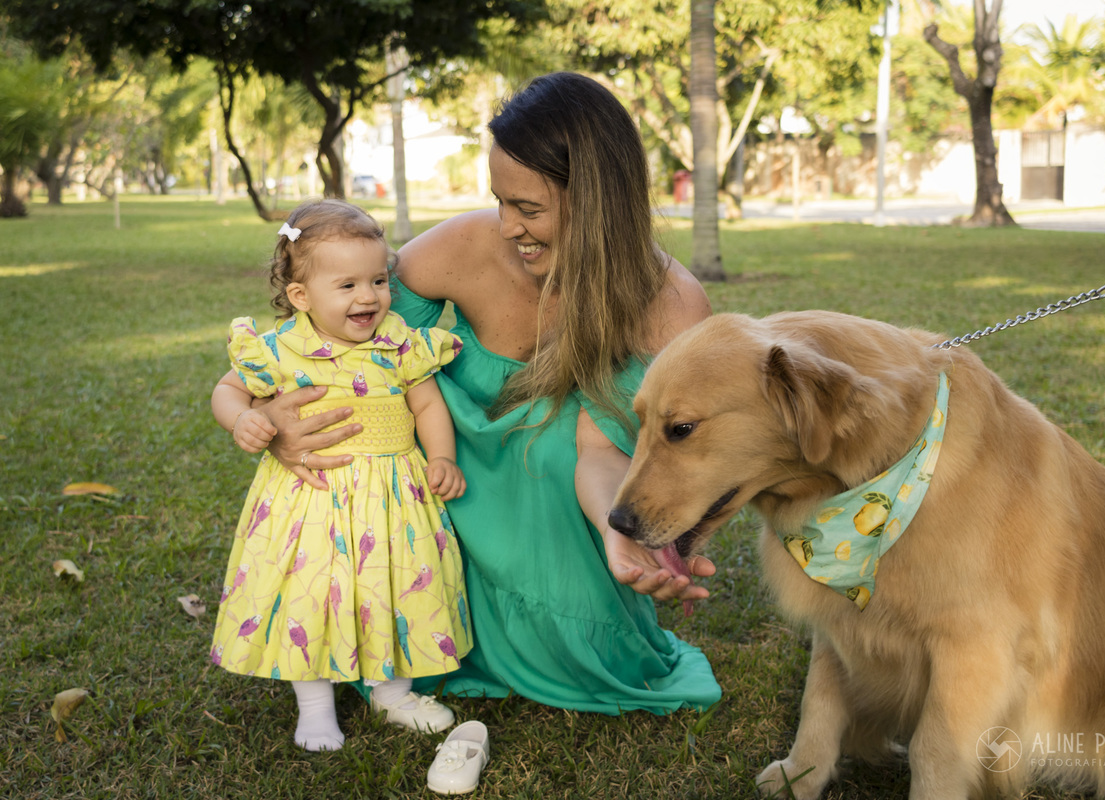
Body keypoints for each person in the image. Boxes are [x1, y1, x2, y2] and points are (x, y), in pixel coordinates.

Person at [258, 73, 722, 715]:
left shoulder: (670, 307)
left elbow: (597, 450)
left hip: (552, 509)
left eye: (529, 208)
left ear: (596, 204)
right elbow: (339, 335)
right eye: (500, 201)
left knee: (551, 446)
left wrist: (619, 528)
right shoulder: (466, 246)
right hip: (438, 492)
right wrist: (275, 415)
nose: (506, 226)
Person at [209, 199, 473, 751]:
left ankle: (392, 691)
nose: (368, 297)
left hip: (392, 496)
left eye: (378, 280)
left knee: (394, 585)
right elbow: (229, 390)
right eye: (347, 285)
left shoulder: (398, 341)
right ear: (302, 296)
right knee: (311, 593)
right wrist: (246, 419)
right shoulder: (281, 349)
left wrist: (442, 457)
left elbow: (427, 406)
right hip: (311, 496)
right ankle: (314, 705)